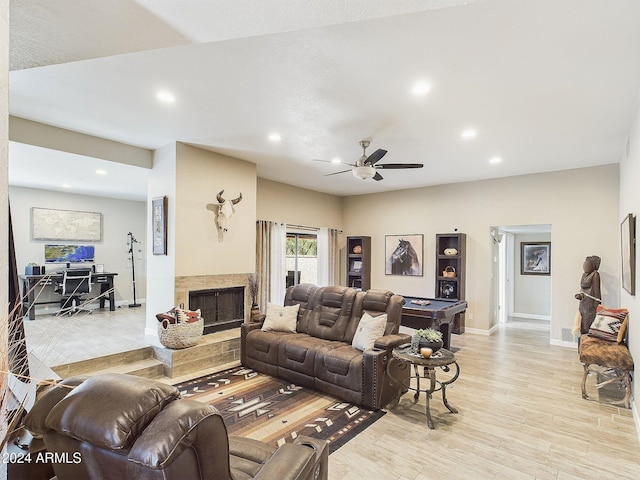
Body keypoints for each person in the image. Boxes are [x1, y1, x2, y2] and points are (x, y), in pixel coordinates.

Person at [575, 255, 601, 335]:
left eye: (587, 265)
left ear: (593, 266)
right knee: (581, 321)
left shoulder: (595, 274)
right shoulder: (584, 274)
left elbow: (597, 291)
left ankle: (588, 339)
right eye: (584, 265)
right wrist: (580, 295)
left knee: (588, 322)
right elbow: (583, 288)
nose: (585, 267)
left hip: (591, 304)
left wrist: (597, 305)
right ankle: (583, 339)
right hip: (583, 302)